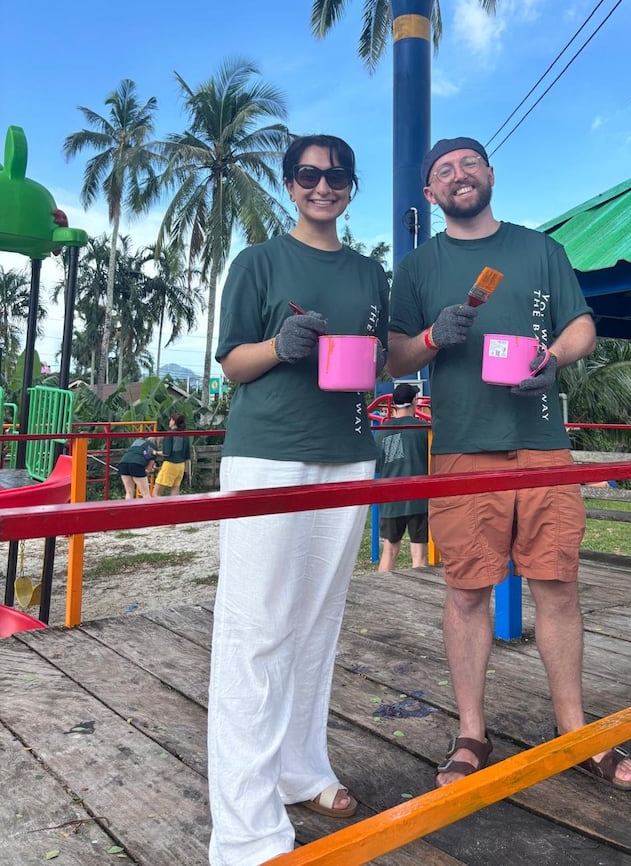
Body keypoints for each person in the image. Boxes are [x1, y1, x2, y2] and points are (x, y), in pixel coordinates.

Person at [387, 136, 631, 791]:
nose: (459, 175)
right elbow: (393, 360)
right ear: (430, 193)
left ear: (491, 174)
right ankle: (471, 732)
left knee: (557, 586)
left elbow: (582, 327)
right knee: (467, 591)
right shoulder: (418, 268)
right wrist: (429, 338)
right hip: (462, 449)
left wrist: (552, 359)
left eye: (469, 163)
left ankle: (574, 729)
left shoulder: (540, 250)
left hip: (543, 443)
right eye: (443, 170)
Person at [207, 134, 389, 865]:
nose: (324, 186)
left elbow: (381, 358)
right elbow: (232, 364)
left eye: (337, 175)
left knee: (316, 623)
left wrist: (435, 339)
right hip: (266, 457)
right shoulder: (257, 262)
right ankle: (245, 827)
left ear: (351, 185)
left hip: (348, 456)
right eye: (309, 175)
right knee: (255, 630)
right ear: (289, 185)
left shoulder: (371, 273)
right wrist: (280, 346)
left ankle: (299, 769)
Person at [375, 382, 430, 571]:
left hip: (391, 498)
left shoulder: (382, 432)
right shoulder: (425, 429)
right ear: (415, 401)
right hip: (420, 498)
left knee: (389, 551)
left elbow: (378, 463)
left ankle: (380, 591)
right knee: (419, 554)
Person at [153, 413, 191, 496]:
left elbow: (166, 453)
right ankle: (176, 508)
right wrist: (186, 471)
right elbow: (187, 456)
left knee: (156, 492)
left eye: (170, 420)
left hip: (170, 464)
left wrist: (155, 452)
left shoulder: (169, 434)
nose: (169, 422)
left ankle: (159, 509)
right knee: (175, 489)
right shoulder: (185, 435)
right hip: (181, 465)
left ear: (174, 422)